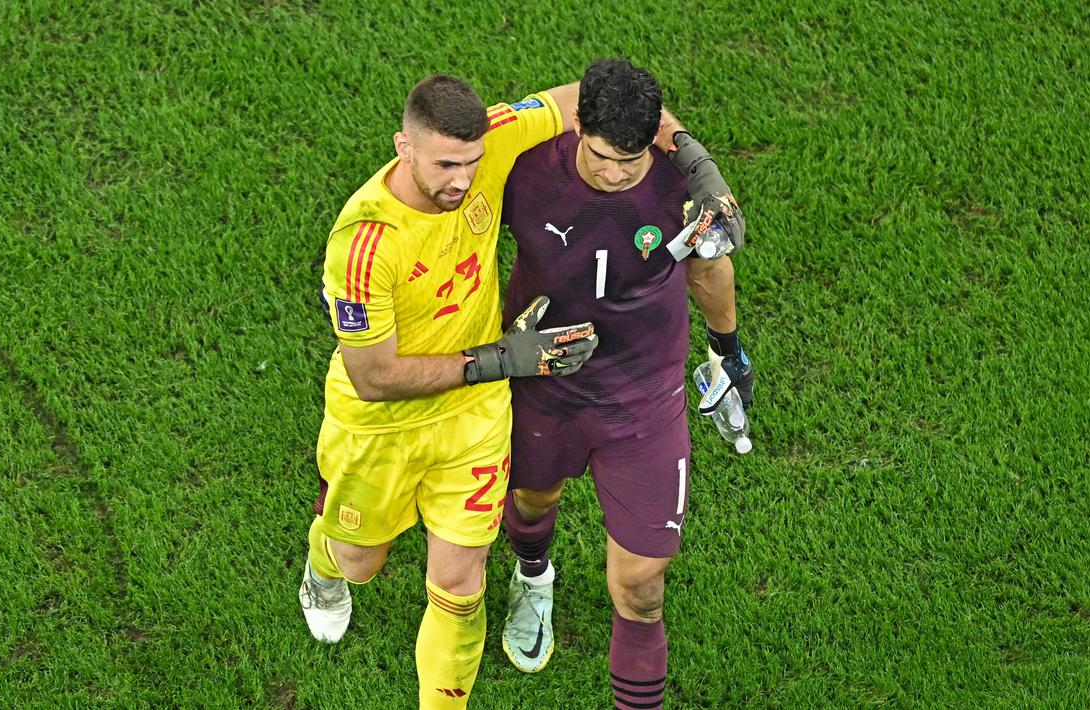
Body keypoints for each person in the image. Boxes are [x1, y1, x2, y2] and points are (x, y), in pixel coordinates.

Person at [298, 74, 601, 710]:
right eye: (444, 165)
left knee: (460, 585)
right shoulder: (362, 245)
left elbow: (589, 94)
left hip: (473, 416)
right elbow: (373, 378)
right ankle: (323, 571)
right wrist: (501, 358)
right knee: (361, 562)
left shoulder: (488, 141)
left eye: (471, 164)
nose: (462, 182)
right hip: (379, 426)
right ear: (403, 148)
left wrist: (693, 158)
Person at [497, 59, 754, 709]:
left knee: (641, 585)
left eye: (631, 160)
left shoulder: (679, 188)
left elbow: (707, 269)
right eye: (602, 156)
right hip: (540, 378)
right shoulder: (521, 167)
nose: (615, 173)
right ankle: (532, 576)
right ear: (578, 125)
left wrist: (728, 349)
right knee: (530, 501)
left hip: (643, 395)